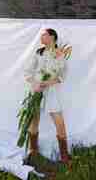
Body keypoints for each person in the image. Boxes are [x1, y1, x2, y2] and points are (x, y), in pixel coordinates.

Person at [23, 28, 72, 169]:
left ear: (52, 37)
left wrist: (48, 83)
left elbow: (63, 75)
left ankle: (64, 157)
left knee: (60, 122)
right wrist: (35, 84)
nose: (41, 37)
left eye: (43, 35)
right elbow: (27, 72)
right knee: (34, 119)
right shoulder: (38, 53)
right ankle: (33, 151)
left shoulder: (60, 53)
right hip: (37, 90)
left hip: (51, 91)